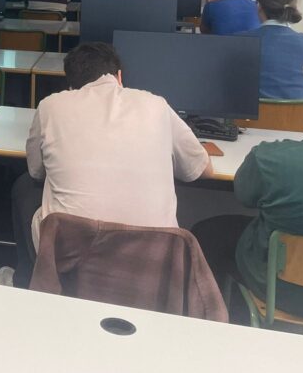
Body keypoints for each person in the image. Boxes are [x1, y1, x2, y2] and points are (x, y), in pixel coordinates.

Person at [192, 23, 303, 324]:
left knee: (207, 232)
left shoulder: (275, 160)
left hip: (283, 289)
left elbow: (245, 194)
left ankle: (217, 328)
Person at [14, 42, 212, 275]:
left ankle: (25, 280)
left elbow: (36, 171)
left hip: (73, 254)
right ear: (119, 76)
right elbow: (202, 170)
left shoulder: (50, 106)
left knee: (24, 188)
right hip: (154, 257)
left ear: (71, 85)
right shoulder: (156, 104)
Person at [239, 0, 303, 98]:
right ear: (293, 7)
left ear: (259, 6)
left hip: (249, 110)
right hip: (299, 111)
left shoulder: (239, 42)